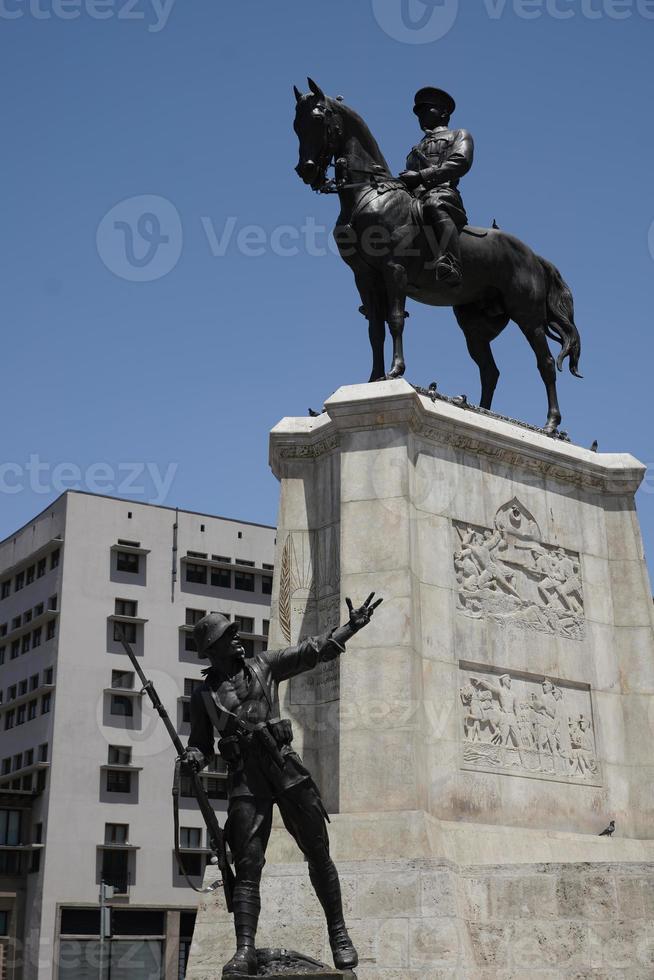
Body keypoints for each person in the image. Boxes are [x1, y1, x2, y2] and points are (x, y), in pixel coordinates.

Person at [186, 594, 382, 977]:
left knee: (317, 851)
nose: (237, 638)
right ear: (213, 648)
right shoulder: (204, 695)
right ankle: (244, 950)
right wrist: (194, 756)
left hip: (285, 769)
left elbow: (312, 651)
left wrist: (351, 626)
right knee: (247, 865)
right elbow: (200, 742)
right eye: (228, 635)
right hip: (246, 780)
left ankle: (339, 933)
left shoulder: (264, 666)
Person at [399, 87, 474, 286]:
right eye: (418, 112)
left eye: (427, 109)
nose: (421, 115)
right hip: (414, 198)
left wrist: (422, 176)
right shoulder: (416, 148)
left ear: (444, 113)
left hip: (443, 193)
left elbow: (460, 162)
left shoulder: (458, 135)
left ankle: (451, 262)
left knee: (433, 204)